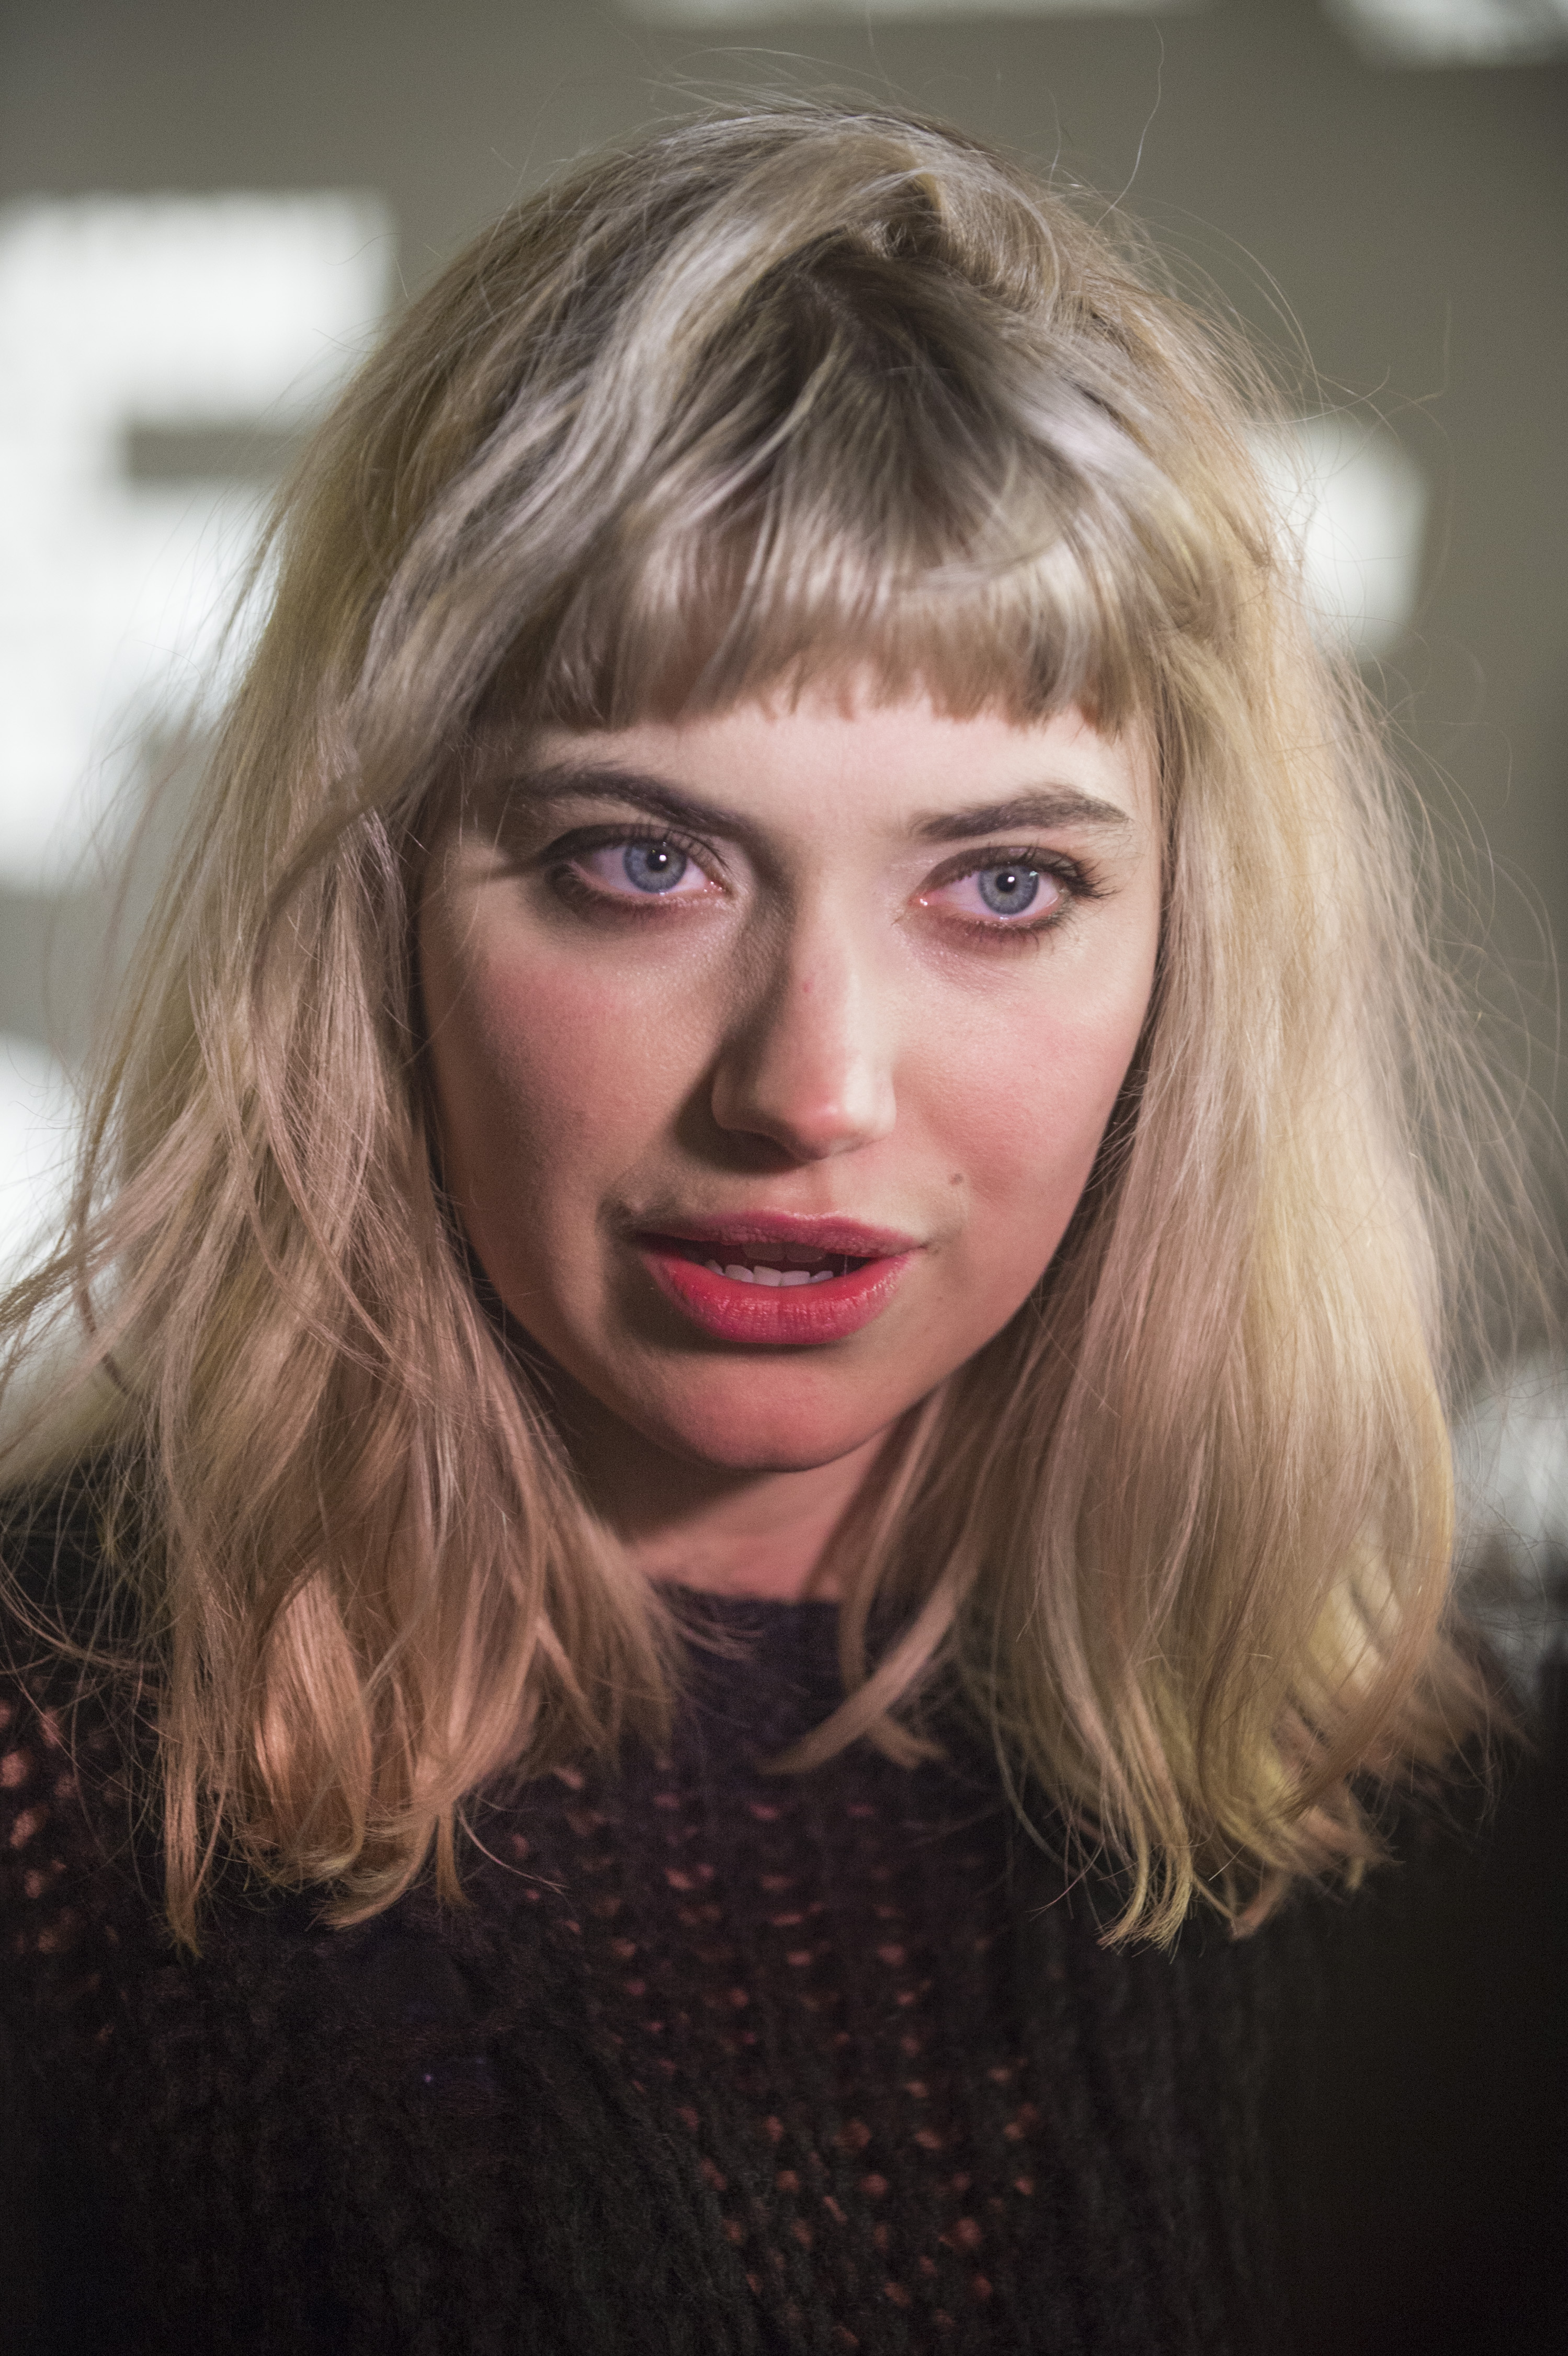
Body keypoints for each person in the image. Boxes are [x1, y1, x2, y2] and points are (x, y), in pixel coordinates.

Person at [0, 102, 1559, 2355]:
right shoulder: (51, 1795)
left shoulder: (1469, 1860)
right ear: (375, 914)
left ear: (1188, 965)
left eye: (1002, 883)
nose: (813, 1087)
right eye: (642, 862)